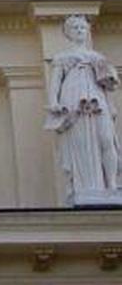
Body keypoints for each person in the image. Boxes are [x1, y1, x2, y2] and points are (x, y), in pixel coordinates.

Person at [45, 14, 122, 205]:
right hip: (73, 99)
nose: (80, 31)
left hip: (97, 98)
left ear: (87, 31)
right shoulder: (62, 58)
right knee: (79, 142)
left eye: (83, 28)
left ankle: (112, 184)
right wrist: (54, 102)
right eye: (76, 28)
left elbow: (109, 85)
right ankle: (84, 187)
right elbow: (55, 83)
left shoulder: (98, 57)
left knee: (106, 139)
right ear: (68, 33)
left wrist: (108, 81)